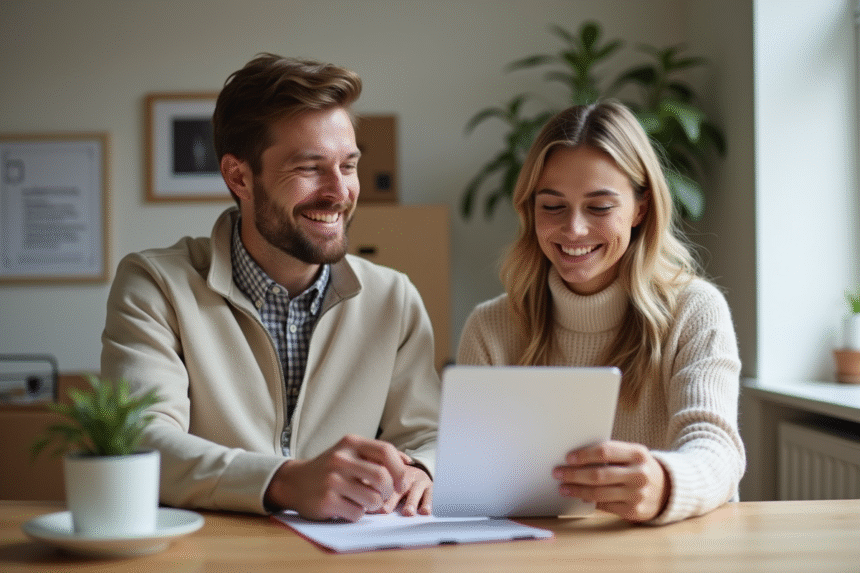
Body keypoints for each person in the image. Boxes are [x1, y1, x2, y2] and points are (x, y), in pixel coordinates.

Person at [101, 54, 439, 522]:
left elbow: (427, 435)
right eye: (310, 167)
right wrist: (284, 481)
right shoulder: (156, 285)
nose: (339, 191)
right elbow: (141, 441)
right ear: (239, 176)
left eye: (348, 165)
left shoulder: (394, 298)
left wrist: (423, 468)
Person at [457, 101, 745, 525]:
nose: (573, 229)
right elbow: (471, 486)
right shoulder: (490, 329)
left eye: (600, 206)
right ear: (529, 209)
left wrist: (664, 484)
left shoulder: (695, 310)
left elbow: (716, 447)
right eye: (552, 206)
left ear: (640, 208)